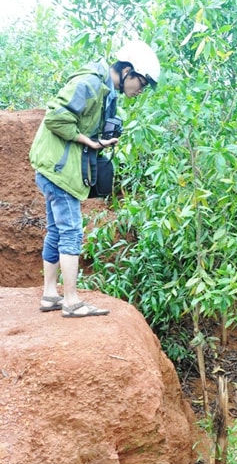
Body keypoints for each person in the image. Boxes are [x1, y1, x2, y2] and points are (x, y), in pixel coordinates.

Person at [30, 40, 160, 317]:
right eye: (142, 82)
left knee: (56, 230)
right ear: (128, 71)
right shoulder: (90, 82)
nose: (141, 89)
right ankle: (72, 301)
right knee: (71, 232)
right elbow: (55, 117)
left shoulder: (105, 91)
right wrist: (87, 141)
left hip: (57, 166)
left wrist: (98, 140)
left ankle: (51, 295)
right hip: (59, 168)